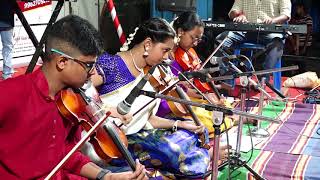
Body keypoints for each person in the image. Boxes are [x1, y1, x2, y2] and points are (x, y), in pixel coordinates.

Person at [0, 15, 147, 180]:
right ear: (62, 62)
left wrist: (108, 177)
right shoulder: (10, 93)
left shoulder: (72, 102)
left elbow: (67, 153)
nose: (93, 72)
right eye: (89, 65)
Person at [91, 17, 216, 178]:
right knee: (173, 151)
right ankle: (206, 157)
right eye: (164, 50)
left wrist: (180, 124)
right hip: (115, 142)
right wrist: (111, 110)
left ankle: (200, 158)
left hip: (141, 133)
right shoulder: (112, 64)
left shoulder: (150, 72)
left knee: (193, 133)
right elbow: (81, 93)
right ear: (148, 44)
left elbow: (147, 119)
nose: (166, 57)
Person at [164, 11, 235, 137]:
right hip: (176, 100)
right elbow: (168, 83)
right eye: (193, 37)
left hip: (189, 96)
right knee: (206, 118)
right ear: (180, 32)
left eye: (198, 39)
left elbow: (193, 80)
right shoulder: (166, 52)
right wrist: (189, 92)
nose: (196, 43)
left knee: (223, 105)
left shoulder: (187, 51)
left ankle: (228, 119)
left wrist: (211, 93)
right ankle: (231, 120)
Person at [216, 0, 292, 82]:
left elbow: (286, 15)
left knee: (277, 44)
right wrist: (239, 15)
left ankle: (263, 79)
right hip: (245, 31)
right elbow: (232, 13)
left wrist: (273, 21)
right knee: (221, 39)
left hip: (270, 32)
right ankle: (227, 77)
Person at [0, 0, 15, 80]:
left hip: (7, 19)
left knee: (8, 47)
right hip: (6, 18)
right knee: (8, 47)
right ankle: (7, 74)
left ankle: (7, 73)